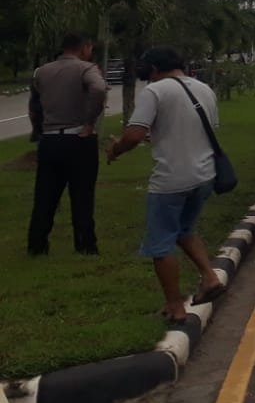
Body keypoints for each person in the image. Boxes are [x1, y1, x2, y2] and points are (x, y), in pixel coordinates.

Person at [107, 47, 227, 323]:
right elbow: (195, 129)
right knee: (185, 230)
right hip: (204, 176)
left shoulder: (155, 91)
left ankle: (175, 306)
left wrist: (116, 149)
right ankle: (209, 278)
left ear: (153, 69)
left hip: (172, 179)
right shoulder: (204, 89)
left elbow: (135, 134)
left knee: (161, 244)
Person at [27, 31, 108, 255]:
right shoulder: (86, 68)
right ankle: (85, 245)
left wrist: (38, 130)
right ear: (85, 48)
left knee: (45, 196)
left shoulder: (42, 71)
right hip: (79, 138)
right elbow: (99, 89)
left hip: (50, 139)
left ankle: (37, 244)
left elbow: (34, 105)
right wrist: (90, 121)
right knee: (82, 195)